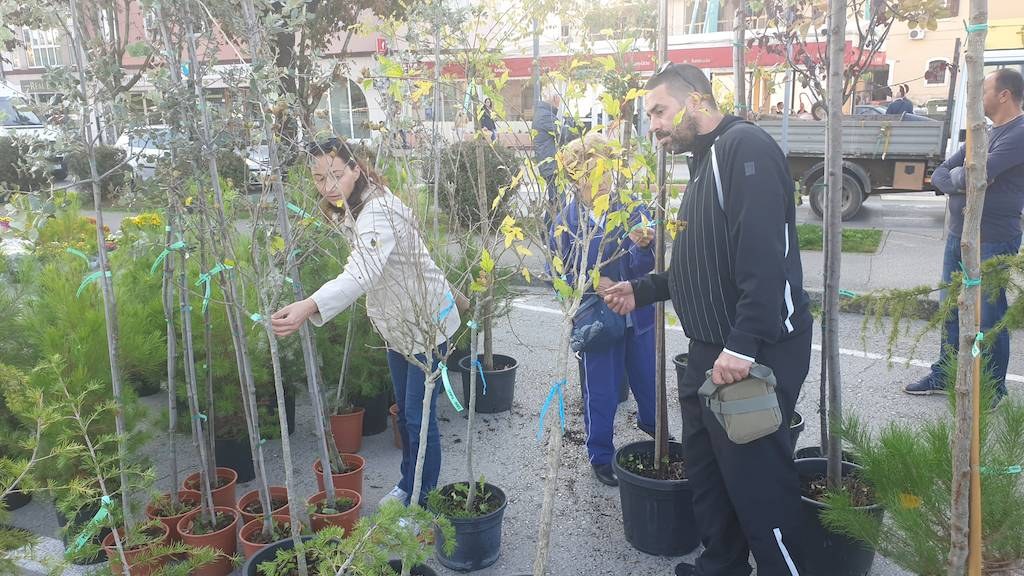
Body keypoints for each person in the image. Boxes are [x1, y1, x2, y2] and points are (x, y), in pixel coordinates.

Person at [603, 63, 812, 576]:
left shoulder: (745, 149)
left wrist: (742, 346)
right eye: (649, 116)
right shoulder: (705, 160)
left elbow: (763, 258)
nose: (653, 125)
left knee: (759, 489)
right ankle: (721, 567)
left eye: (659, 111)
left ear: (696, 100)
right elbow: (702, 264)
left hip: (752, 355)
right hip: (709, 352)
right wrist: (644, 290)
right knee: (710, 476)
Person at [271, 138, 462, 508]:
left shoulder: (376, 212)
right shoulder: (353, 205)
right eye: (319, 178)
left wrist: (309, 305)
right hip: (399, 325)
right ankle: (408, 484)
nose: (328, 186)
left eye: (336, 175)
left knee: (418, 419)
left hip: (427, 325)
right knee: (406, 416)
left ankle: (422, 501)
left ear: (355, 169)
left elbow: (362, 272)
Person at [904, 68, 1024, 405]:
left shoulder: (1019, 133)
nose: (979, 97)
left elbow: (978, 174)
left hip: (994, 240)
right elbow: (942, 173)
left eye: (984, 90)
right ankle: (945, 374)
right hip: (959, 236)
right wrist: (963, 180)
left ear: (1004, 95)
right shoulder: (982, 131)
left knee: (989, 315)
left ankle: (992, 387)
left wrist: (966, 178)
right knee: (951, 309)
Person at [551, 132, 658, 487]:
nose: (602, 182)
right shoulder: (566, 222)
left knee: (648, 379)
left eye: (606, 172)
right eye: (591, 176)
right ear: (575, 179)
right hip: (596, 321)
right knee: (600, 391)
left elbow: (644, 267)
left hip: (637, 315)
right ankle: (600, 454)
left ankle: (655, 430)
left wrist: (644, 247)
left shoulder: (631, 209)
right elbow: (559, 274)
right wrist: (593, 281)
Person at [533, 83, 577, 214]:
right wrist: (571, 125)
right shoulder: (545, 116)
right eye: (559, 97)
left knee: (555, 202)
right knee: (559, 203)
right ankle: (553, 226)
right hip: (551, 166)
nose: (560, 100)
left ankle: (549, 226)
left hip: (551, 165)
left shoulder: (545, 113)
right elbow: (564, 134)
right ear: (554, 98)